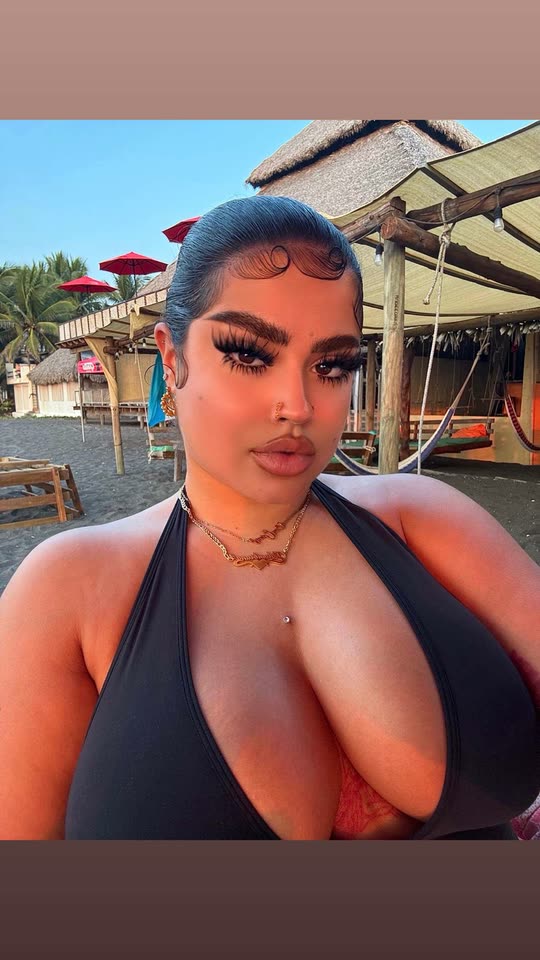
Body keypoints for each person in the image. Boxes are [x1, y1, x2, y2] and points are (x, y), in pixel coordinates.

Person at [0, 196, 539, 841]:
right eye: (250, 356)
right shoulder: (68, 591)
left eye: (332, 365)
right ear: (171, 359)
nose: (297, 405)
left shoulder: (422, 518)